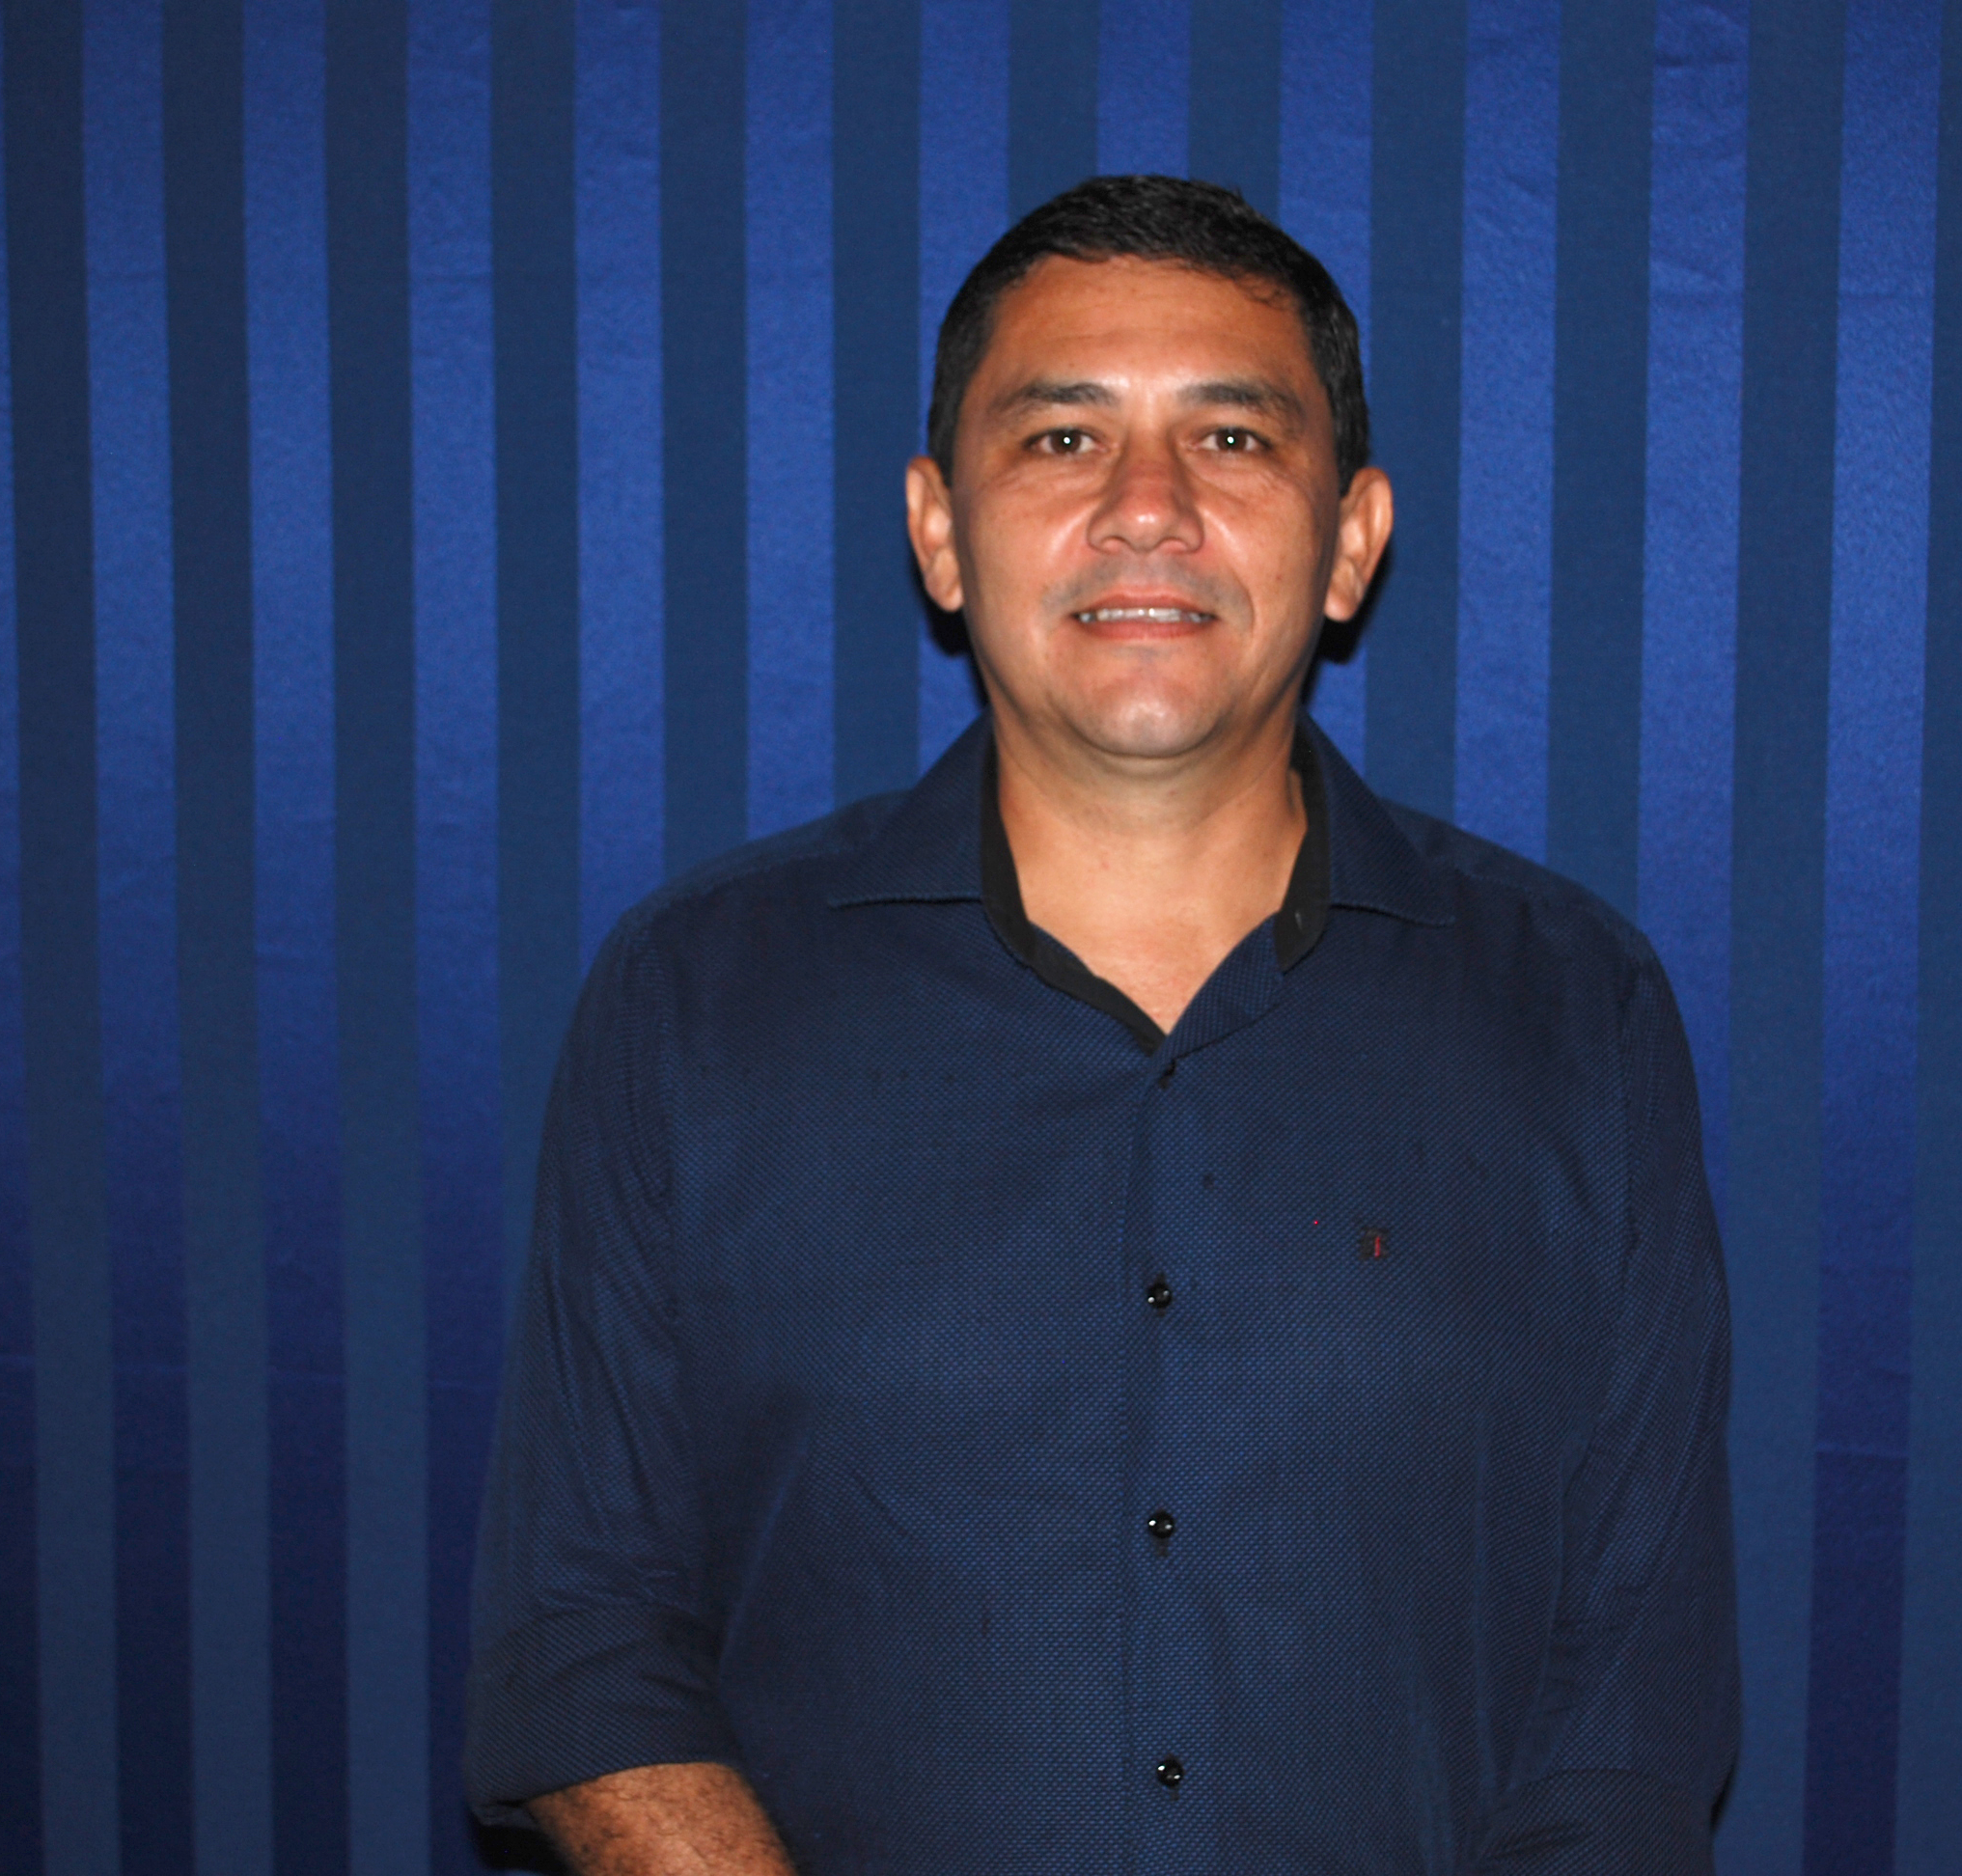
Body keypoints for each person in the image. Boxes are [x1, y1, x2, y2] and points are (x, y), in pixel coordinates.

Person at [463, 174, 1739, 1873]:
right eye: (1063, 439)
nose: (1149, 509)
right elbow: (584, 1640)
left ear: (1353, 540)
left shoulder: (1578, 1013)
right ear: (939, 531)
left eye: (1233, 439)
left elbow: (1629, 1715)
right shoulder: (692, 1000)